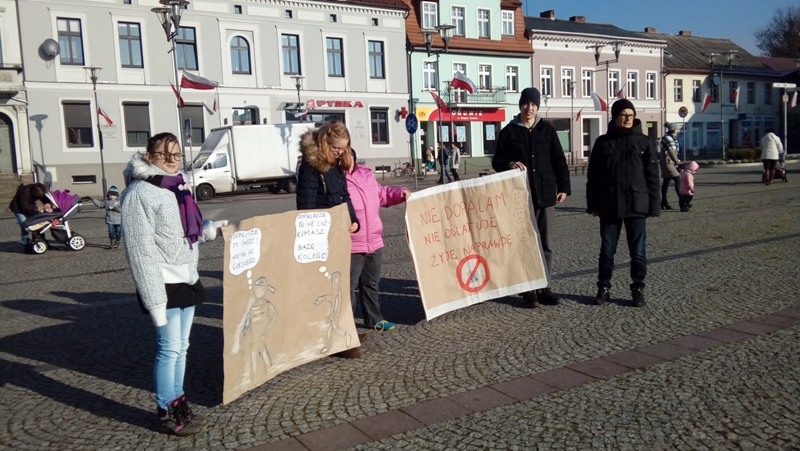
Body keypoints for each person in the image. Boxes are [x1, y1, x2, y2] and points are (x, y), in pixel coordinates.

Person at [121, 132, 226, 436]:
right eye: (163, 154)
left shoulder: (177, 186)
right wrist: (154, 301)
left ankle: (180, 402)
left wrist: (211, 230)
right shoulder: (139, 192)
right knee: (168, 349)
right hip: (162, 283)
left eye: (176, 154)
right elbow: (140, 251)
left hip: (186, 278)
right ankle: (167, 410)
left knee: (182, 347)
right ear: (149, 155)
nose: (171, 159)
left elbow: (183, 234)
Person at [492, 87, 571, 308]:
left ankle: (544, 287)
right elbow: (497, 160)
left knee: (545, 243)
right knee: (523, 243)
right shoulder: (509, 132)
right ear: (521, 106)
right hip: (519, 197)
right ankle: (527, 290)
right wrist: (509, 164)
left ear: (537, 107)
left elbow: (559, 160)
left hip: (545, 195)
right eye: (526, 104)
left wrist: (564, 187)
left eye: (534, 104)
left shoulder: (548, 130)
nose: (530, 108)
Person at [296, 121, 365, 358]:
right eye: (336, 148)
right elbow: (305, 205)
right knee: (327, 287)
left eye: (343, 148)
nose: (339, 152)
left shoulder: (337, 164)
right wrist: (313, 235)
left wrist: (353, 219)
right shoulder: (311, 166)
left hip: (338, 233)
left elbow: (344, 195)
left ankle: (345, 331)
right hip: (320, 235)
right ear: (326, 142)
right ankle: (331, 339)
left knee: (341, 284)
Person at [586, 99, 660, 308]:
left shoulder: (644, 142)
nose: (628, 119)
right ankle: (603, 288)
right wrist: (593, 204)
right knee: (607, 251)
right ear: (615, 117)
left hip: (636, 204)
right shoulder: (603, 142)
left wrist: (654, 206)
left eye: (631, 115)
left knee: (638, 252)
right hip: (609, 204)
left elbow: (653, 176)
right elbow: (593, 176)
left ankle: (638, 289)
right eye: (624, 115)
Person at [345, 149, 410, 332]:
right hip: (352, 243)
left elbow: (383, 195)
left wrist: (401, 192)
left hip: (374, 240)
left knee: (371, 282)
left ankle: (374, 319)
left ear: (353, 158)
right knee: (348, 286)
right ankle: (346, 326)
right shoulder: (336, 179)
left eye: (347, 155)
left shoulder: (367, 175)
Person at [8, 182, 52, 246]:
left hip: (29, 207)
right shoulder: (23, 192)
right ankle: (25, 242)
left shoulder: (38, 189)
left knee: (36, 223)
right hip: (18, 209)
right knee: (25, 225)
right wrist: (36, 209)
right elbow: (24, 206)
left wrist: (47, 203)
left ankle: (40, 238)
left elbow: (43, 197)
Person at [659, 123, 681, 210]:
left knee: (666, 181)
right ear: (674, 130)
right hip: (668, 163)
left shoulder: (670, 138)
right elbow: (671, 151)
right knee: (678, 179)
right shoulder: (669, 138)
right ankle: (682, 200)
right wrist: (677, 162)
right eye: (677, 129)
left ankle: (664, 202)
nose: (678, 131)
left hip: (669, 162)